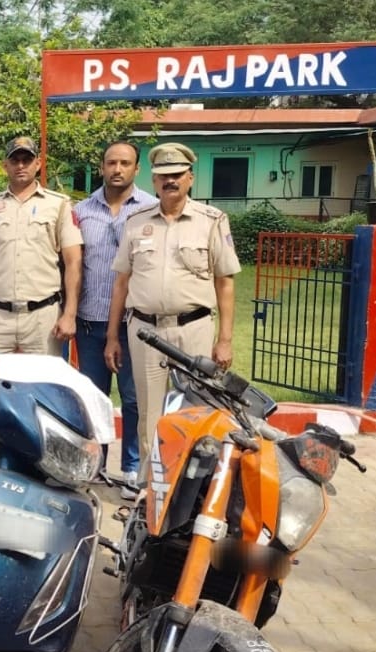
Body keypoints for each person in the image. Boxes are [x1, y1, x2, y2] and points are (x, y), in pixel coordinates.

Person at [104, 142, 241, 466]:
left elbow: (225, 282)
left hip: (194, 329)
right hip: (146, 331)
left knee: (194, 410)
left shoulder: (211, 220)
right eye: (163, 175)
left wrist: (224, 340)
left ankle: (189, 482)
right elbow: (121, 283)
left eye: (177, 174)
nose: (170, 181)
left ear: (190, 178)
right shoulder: (136, 221)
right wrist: (112, 336)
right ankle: (150, 484)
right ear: (154, 181)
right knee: (148, 413)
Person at [74, 141, 158, 496]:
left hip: (133, 324)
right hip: (89, 321)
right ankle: (95, 466)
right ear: (102, 166)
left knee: (134, 399)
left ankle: (132, 468)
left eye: (125, 163)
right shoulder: (80, 211)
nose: (117, 169)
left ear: (137, 169)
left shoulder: (151, 210)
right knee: (93, 400)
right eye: (111, 162)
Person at [0, 136, 83, 356]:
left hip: (43, 316)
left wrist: (70, 313)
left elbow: (73, 262)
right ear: (5, 165)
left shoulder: (59, 205)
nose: (20, 165)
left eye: (26, 160)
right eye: (14, 160)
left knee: (42, 378)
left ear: (38, 164)